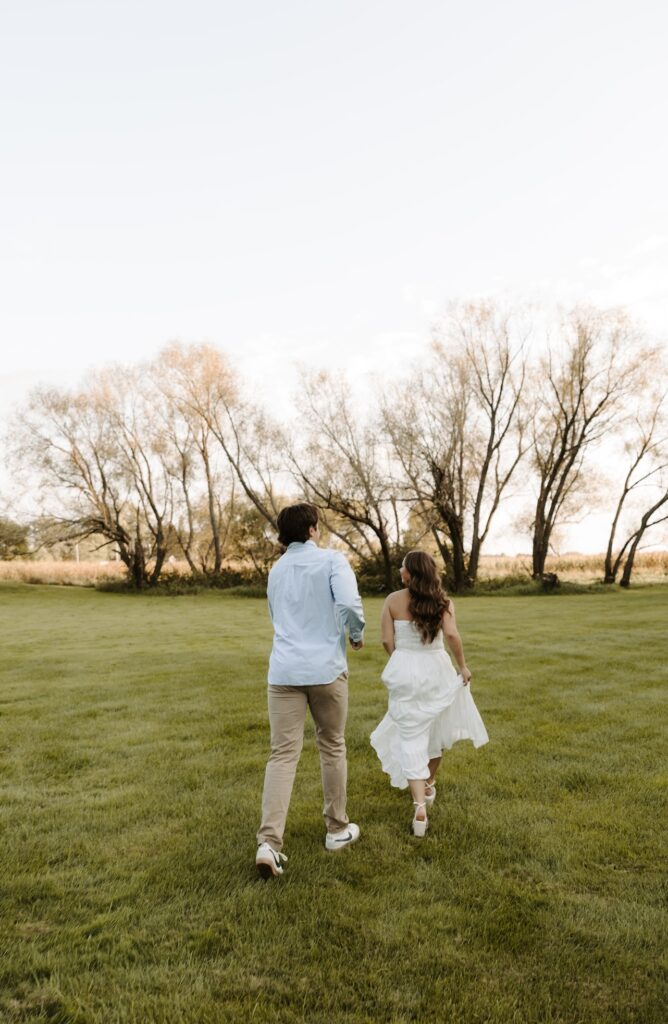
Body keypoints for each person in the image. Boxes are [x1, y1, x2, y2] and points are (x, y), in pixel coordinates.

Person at [256, 502, 366, 878]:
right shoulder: (332, 561)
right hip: (325, 670)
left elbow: (277, 617)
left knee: (282, 755)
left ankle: (269, 843)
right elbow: (350, 603)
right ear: (313, 530)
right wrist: (355, 633)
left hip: (283, 670)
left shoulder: (276, 570)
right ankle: (336, 830)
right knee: (331, 745)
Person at [370, 550, 488, 837]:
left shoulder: (393, 600)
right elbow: (451, 635)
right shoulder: (443, 601)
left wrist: (401, 660)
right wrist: (462, 666)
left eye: (403, 567)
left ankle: (419, 804)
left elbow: (387, 639)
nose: (400, 570)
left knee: (410, 734)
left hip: (406, 667)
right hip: (436, 667)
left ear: (411, 572)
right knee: (435, 730)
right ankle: (428, 782)